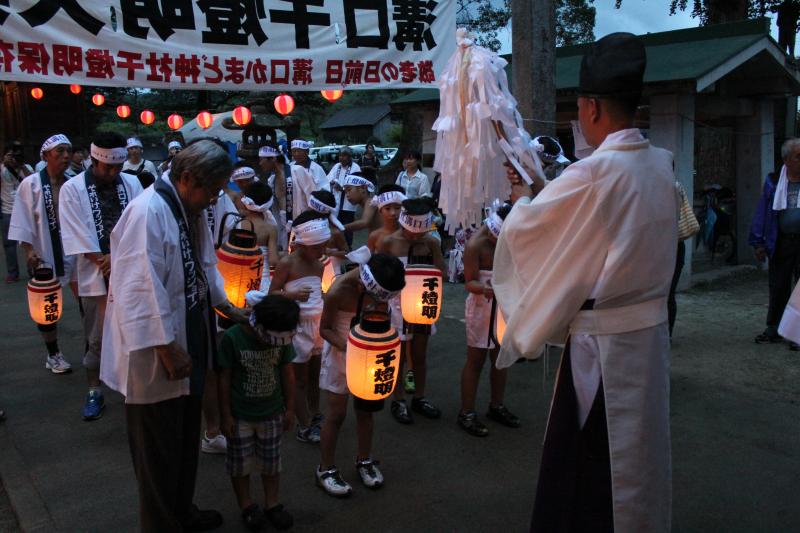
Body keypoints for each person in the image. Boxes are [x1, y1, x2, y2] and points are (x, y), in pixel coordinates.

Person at [493, 33, 677, 531]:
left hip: (604, 347)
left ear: (592, 107)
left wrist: (521, 198)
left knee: (594, 464)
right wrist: (537, 191)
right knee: (640, 454)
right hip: (650, 334)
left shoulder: (595, 172)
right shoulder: (662, 165)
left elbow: (530, 235)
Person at [100, 140, 249, 531]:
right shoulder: (148, 212)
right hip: (156, 349)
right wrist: (166, 347)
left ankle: (182, 509)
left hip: (191, 331)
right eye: (212, 190)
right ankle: (161, 523)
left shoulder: (187, 207)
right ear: (186, 177)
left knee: (184, 439)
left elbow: (203, 263)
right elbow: (138, 287)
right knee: (158, 448)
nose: (214, 199)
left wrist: (225, 305)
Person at [59, 132, 144, 420]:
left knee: (132, 329)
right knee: (96, 336)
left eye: (118, 167)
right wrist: (104, 259)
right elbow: (75, 231)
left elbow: (141, 221)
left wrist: (118, 257)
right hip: (96, 273)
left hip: (129, 269)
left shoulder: (132, 182)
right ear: (94, 160)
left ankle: (131, 386)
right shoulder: (72, 189)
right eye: (108, 168)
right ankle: (94, 389)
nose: (113, 173)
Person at [316, 251, 406, 496]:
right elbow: (324, 329)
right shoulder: (337, 291)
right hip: (341, 350)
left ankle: (364, 460)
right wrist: (351, 347)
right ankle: (326, 468)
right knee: (336, 414)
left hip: (372, 353)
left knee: (366, 411)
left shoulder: (383, 285)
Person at [218, 294, 299, 532]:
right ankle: (246, 505)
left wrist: (290, 408)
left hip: (272, 412)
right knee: (239, 464)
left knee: (271, 463)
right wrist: (225, 415)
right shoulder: (233, 338)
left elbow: (288, 374)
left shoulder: (282, 337)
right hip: (240, 414)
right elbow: (223, 378)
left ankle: (272, 503)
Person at [9, 134, 78, 374]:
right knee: (47, 307)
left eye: (68, 151)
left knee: (87, 300)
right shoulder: (32, 184)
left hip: (76, 250)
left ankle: (95, 348)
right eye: (59, 151)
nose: (66, 156)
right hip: (45, 250)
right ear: (45, 155)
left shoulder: (74, 181)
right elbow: (22, 219)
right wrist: (29, 250)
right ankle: (53, 354)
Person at [377, 198, 447, 424]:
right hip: (396, 306)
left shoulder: (431, 243)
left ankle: (419, 396)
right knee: (398, 355)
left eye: (420, 232)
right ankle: (398, 400)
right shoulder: (389, 242)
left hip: (423, 302)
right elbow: (379, 276)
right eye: (411, 231)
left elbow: (442, 273)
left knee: (419, 354)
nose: (415, 236)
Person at [458, 203, 520, 437]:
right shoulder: (476, 245)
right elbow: (469, 282)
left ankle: (497, 405)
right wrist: (485, 289)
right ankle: (466, 412)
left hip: (505, 305)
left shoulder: (514, 238)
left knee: (500, 359)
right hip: (482, 306)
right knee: (475, 360)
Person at [268, 211, 329, 443]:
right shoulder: (288, 263)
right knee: (299, 378)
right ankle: (303, 424)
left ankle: (315, 414)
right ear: (303, 245)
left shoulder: (319, 263)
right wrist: (290, 294)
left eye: (323, 246)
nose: (321, 252)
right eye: (317, 247)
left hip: (318, 324)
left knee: (315, 376)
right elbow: (270, 294)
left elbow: (317, 291)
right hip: (297, 326)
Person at [750, 138, 800, 346]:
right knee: (778, 286)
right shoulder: (773, 182)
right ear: (786, 160)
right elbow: (763, 213)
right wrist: (758, 242)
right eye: (798, 156)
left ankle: (796, 334)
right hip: (781, 241)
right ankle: (774, 329)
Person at [241, 181, 281, 292]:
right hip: (261, 280)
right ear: (269, 203)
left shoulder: (237, 224)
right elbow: (273, 260)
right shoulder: (270, 229)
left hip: (238, 279)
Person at [1, 145, 32, 282]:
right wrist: (4, 163)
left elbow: (34, 181)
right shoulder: (2, 169)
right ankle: (13, 273)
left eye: (17, 156)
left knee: (30, 241)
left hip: (26, 210)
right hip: (8, 209)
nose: (14, 159)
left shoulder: (28, 168)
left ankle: (33, 269)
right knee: (9, 244)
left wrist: (22, 166)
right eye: (11, 155)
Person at [259, 144, 291, 250]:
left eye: (262, 159)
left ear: (272, 158)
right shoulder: (271, 180)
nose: (260, 163)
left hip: (298, 226)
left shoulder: (296, 172)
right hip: (281, 228)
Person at [326, 147, 361, 246]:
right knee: (336, 226)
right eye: (340, 155)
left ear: (350, 157)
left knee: (347, 227)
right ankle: (339, 246)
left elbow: (357, 186)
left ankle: (348, 247)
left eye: (344, 155)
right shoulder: (337, 166)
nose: (341, 158)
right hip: (336, 202)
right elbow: (328, 178)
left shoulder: (355, 167)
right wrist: (331, 182)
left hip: (348, 204)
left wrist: (342, 189)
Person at [289, 140, 328, 219]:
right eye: (294, 151)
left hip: (312, 213)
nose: (296, 154)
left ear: (307, 152)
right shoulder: (289, 167)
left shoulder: (317, 169)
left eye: (299, 151)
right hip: (293, 212)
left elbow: (325, 191)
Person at [366, 184, 406, 252]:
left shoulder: (410, 235)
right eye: (387, 208)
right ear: (380, 210)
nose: (393, 213)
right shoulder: (374, 236)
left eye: (397, 208)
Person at [342, 173, 381, 237]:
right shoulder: (369, 203)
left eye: (349, 190)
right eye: (345, 192)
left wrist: (340, 228)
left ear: (363, 188)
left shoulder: (371, 201)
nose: (347, 195)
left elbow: (364, 222)